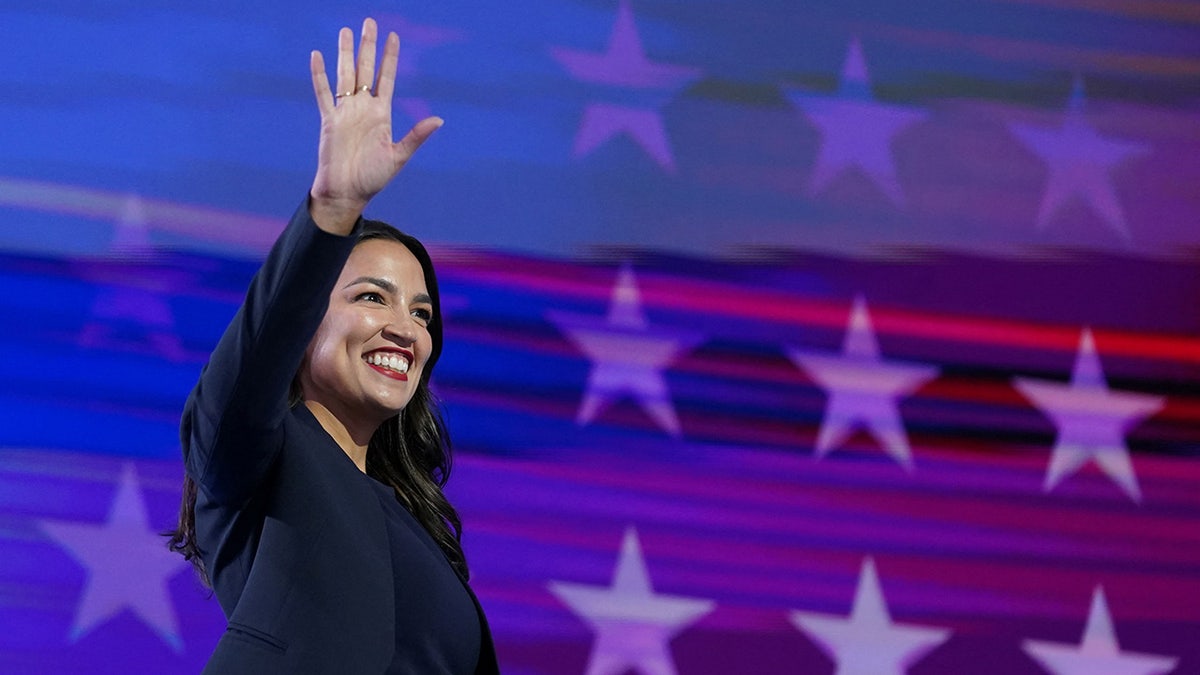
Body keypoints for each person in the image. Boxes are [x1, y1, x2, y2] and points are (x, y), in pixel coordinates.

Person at [166, 18, 499, 674]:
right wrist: (333, 207)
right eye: (372, 296)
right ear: (303, 322)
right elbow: (253, 359)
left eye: (421, 311)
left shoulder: (411, 522)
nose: (407, 327)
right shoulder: (253, 452)